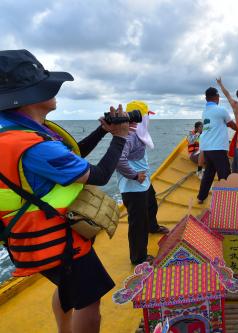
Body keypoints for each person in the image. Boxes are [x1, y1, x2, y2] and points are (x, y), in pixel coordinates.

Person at [0, 49, 130, 333]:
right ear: (28, 96)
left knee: (68, 290)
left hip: (30, 237)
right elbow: (97, 175)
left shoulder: (15, 132)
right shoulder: (35, 145)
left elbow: (71, 156)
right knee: (90, 302)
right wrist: (120, 138)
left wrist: (104, 131)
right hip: (58, 241)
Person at [116, 100, 169, 265]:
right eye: (147, 115)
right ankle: (138, 257)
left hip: (143, 182)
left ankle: (152, 227)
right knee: (138, 223)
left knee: (151, 204)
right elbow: (118, 159)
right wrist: (134, 175)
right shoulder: (130, 135)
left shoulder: (137, 131)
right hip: (133, 186)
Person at [196, 87, 237, 204]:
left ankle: (201, 197)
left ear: (206, 99)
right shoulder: (221, 110)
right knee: (224, 174)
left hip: (207, 148)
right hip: (218, 148)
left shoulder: (205, 111)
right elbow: (231, 124)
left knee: (209, 173)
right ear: (217, 97)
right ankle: (227, 200)